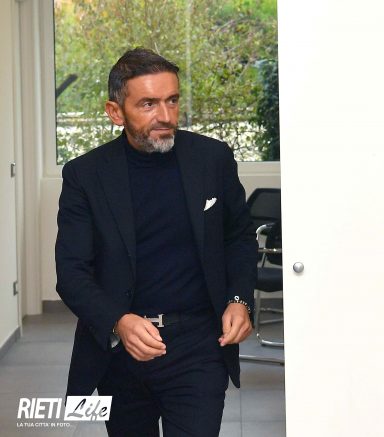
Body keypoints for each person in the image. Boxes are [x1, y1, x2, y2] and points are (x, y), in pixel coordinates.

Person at [55, 47, 258, 436]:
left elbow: (238, 237)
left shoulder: (212, 158)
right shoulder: (85, 175)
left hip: (200, 345)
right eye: (148, 104)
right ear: (115, 112)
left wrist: (239, 299)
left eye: (172, 100)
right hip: (122, 353)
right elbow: (71, 272)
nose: (165, 115)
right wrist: (118, 322)